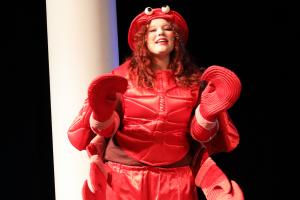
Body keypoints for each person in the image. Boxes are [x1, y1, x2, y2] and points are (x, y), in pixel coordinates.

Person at [67, 5, 244, 200]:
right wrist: (102, 115)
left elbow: (202, 136)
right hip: (125, 179)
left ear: (175, 37)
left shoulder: (196, 83)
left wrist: (207, 116)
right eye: (152, 29)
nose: (161, 32)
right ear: (143, 38)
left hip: (176, 180)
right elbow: (86, 134)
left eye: (167, 28)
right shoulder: (120, 79)